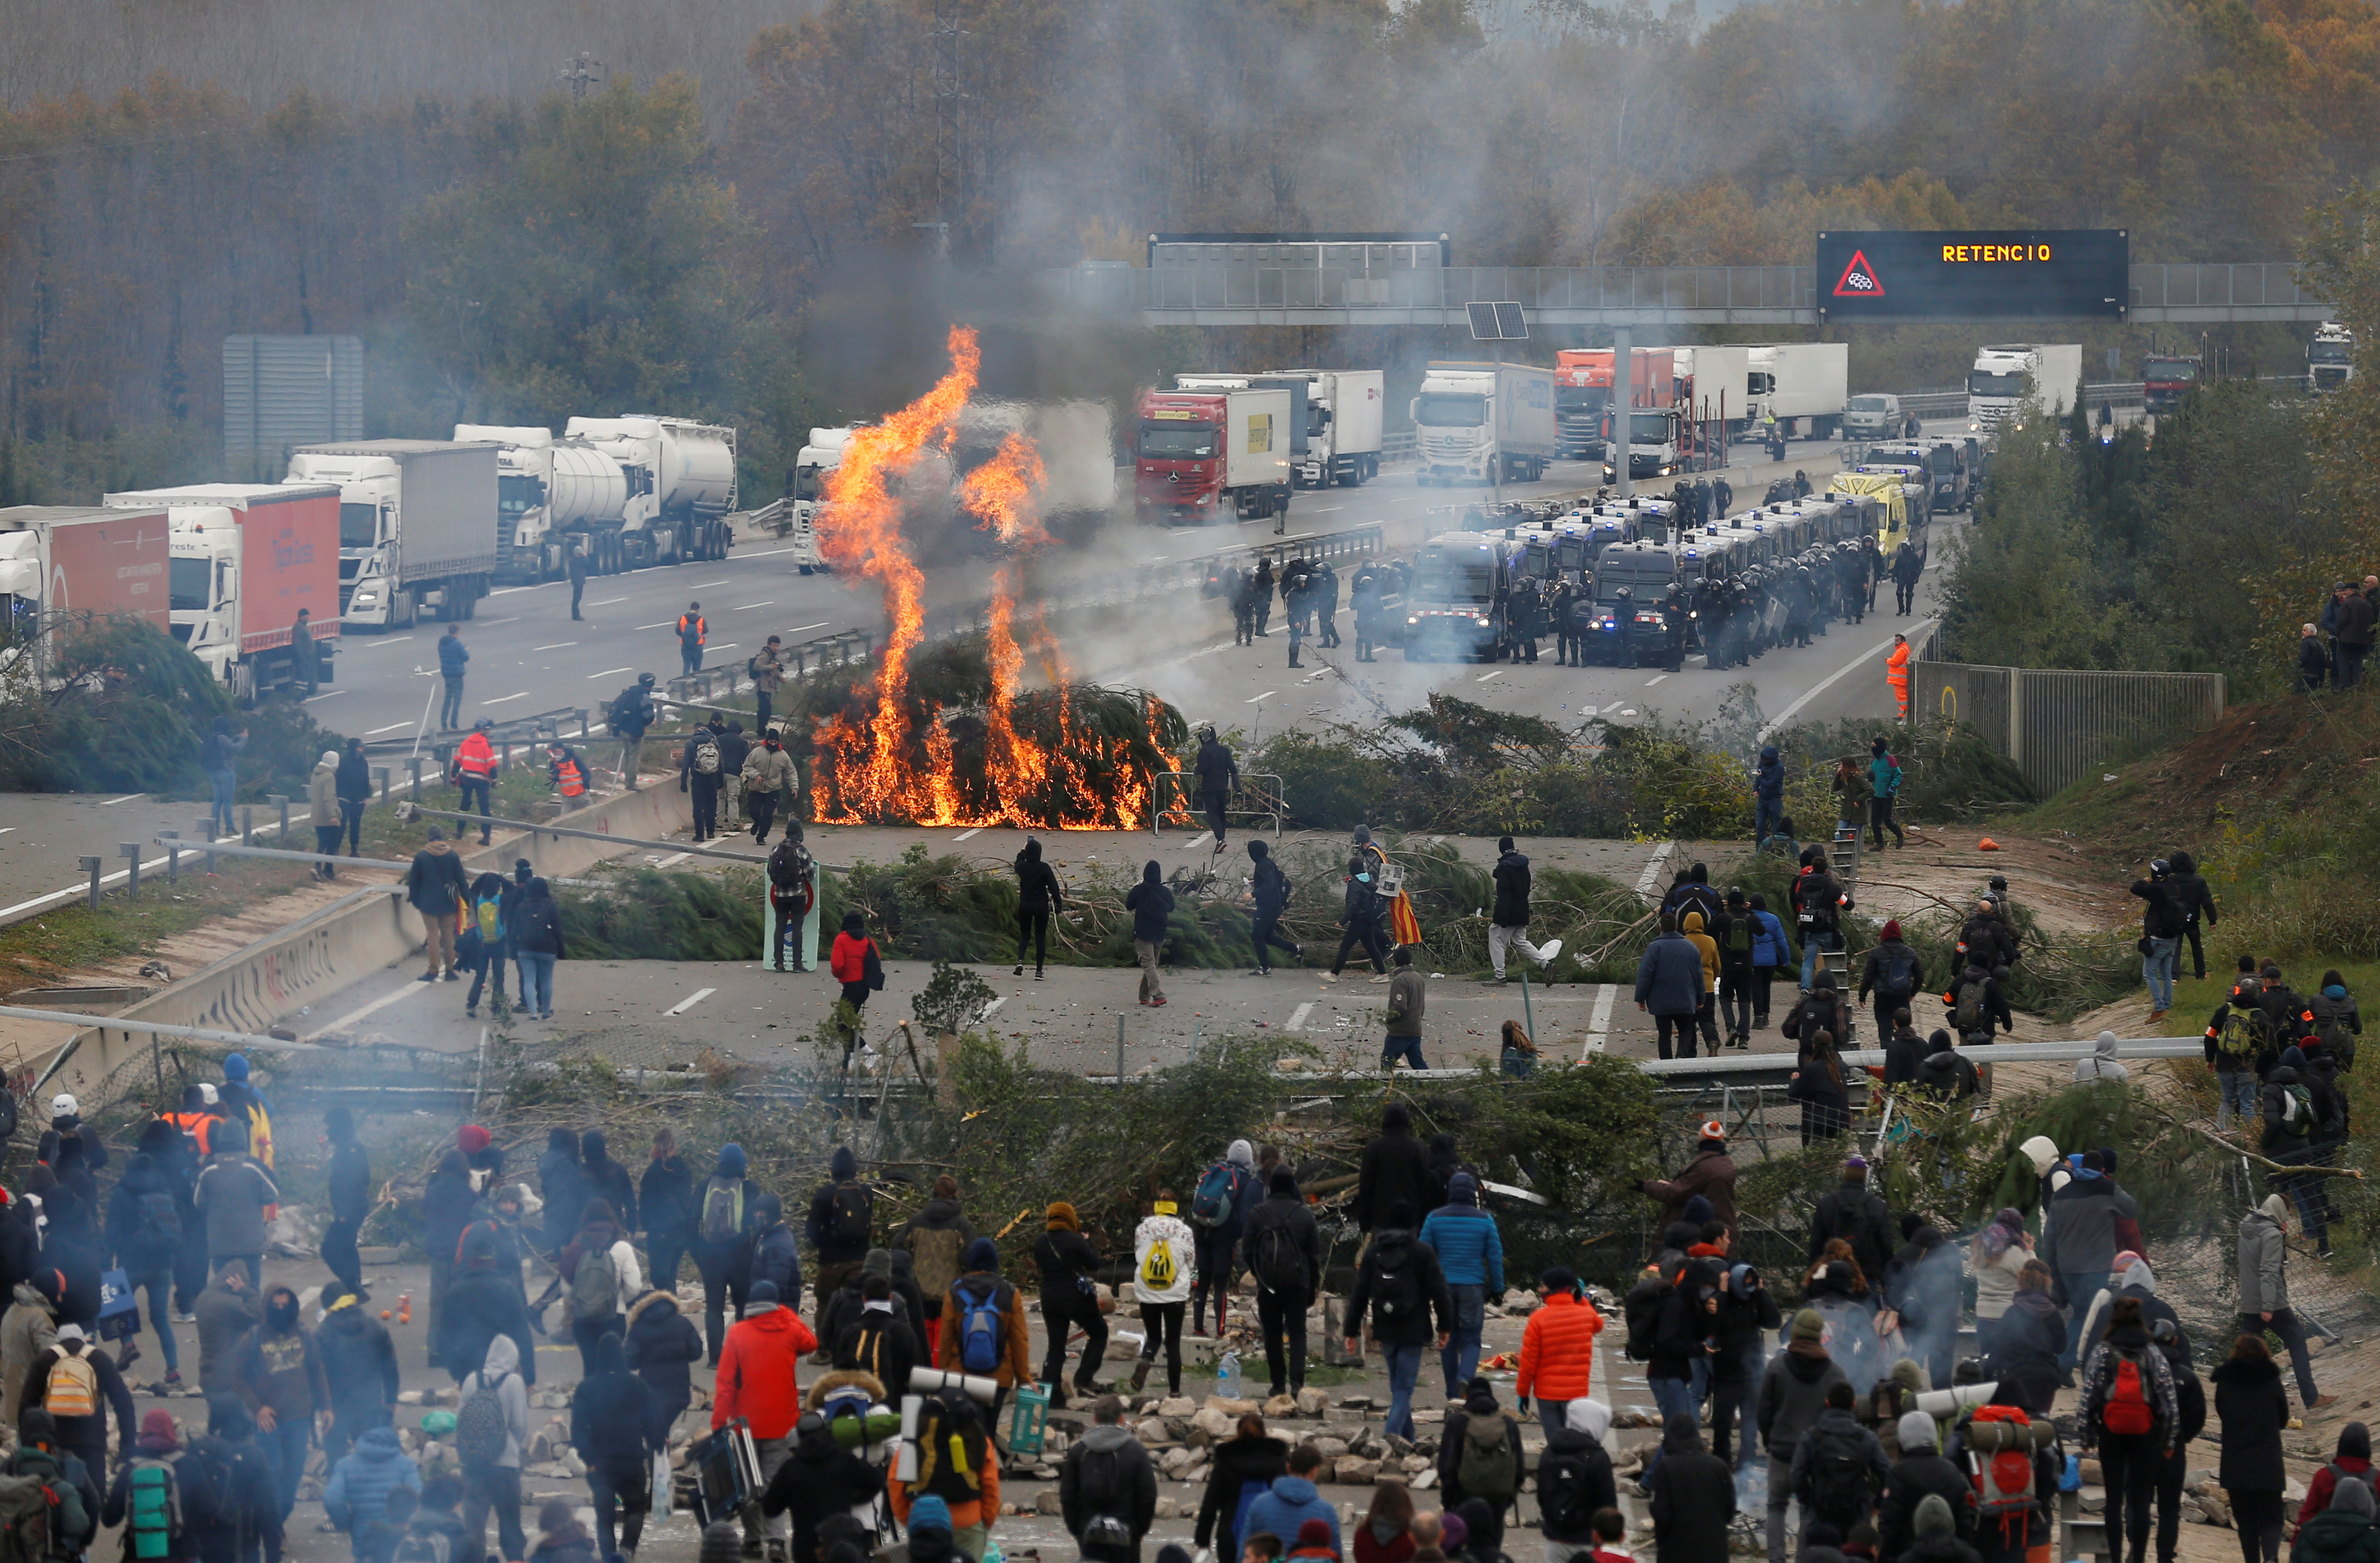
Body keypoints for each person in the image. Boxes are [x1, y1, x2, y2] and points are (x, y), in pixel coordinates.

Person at [715, 1281, 815, 1558]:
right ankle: (776, 1542)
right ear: (775, 1306)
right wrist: (787, 1313)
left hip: (744, 1425)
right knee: (773, 1482)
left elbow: (725, 1384)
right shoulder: (790, 1330)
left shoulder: (737, 1334)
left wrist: (717, 1422)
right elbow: (812, 1343)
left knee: (747, 1484)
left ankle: (753, 1539)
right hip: (782, 1422)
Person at [1344, 1201, 1453, 1442]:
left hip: (1385, 1326)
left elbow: (1360, 1293)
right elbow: (1440, 1292)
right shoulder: (1423, 1252)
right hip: (1414, 1328)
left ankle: (1409, 1440)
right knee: (1403, 1389)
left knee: (1398, 1388)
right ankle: (1391, 1438)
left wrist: (1351, 1331)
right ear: (1413, 1224)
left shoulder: (1374, 1252)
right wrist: (1445, 1327)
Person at [2040, 1149, 2140, 1372]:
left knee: (2081, 1315)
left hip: (2068, 1269)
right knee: (2102, 1316)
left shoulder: (2062, 1195)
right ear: (2103, 1170)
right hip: (2099, 1267)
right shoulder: (2107, 1189)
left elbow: (2049, 1239)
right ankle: (2096, 1367)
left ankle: (2064, 1365)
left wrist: (2055, 1273)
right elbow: (2132, 1208)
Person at [2239, 1192, 2332, 1412]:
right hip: (2272, 1302)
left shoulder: (2247, 1226)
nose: (2286, 1221)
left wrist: (2280, 1236)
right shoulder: (2271, 1235)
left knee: (2245, 1351)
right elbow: (2269, 1270)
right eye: (2287, 1215)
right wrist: (2269, 1306)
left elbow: (2256, 1254)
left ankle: (2242, 1399)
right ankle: (2311, 1398)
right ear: (2280, 1212)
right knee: (2297, 1340)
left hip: (2249, 1299)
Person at [106, 1147, 188, 1386]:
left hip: (131, 1262)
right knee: (161, 1319)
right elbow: (178, 1224)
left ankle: (128, 1344)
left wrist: (107, 1259)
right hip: (163, 1263)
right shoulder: (165, 1190)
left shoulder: (123, 1192)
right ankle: (174, 1371)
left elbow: (112, 1229)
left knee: (118, 1306)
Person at [25, 1321, 136, 1495]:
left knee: (56, 1495)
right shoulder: (100, 1359)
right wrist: (127, 1444)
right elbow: (123, 1403)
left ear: (58, 1342)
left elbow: (27, 1406)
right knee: (94, 1495)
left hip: (55, 1442)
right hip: (91, 1440)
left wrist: (29, 1445)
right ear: (84, 1341)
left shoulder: (45, 1361)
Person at [1419, 1175, 1504, 1400]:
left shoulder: (1434, 1218)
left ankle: (1451, 1393)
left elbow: (1423, 1255)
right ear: (1472, 1194)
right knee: (1472, 1338)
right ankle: (1465, 1379)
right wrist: (1498, 1289)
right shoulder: (1485, 1220)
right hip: (1473, 1286)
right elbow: (1495, 1257)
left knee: (1447, 1337)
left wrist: (1423, 1286)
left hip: (1443, 1286)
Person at [1241, 1168, 1319, 1403]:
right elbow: (1314, 1256)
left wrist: (1259, 1274)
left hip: (1268, 1284)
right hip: (1298, 1283)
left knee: (1272, 1334)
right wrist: (1313, 1284)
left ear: (1271, 1186)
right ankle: (1297, 1383)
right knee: (1297, 1333)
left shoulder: (1257, 1214)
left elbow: (1247, 1251)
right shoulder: (1305, 1215)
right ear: (1292, 1186)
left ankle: (1278, 1385)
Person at [2213, 1334, 2290, 1563]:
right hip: (2268, 1460)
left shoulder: (2225, 1381)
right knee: (2271, 1517)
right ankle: (2271, 1557)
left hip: (2235, 1460)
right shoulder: (2271, 1379)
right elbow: (2283, 1418)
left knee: (2245, 1522)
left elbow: (2222, 1412)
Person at [1060, 1396, 1159, 1563]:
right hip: (1127, 1534)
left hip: (1089, 1533)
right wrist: (1140, 1531)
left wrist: (1078, 1530)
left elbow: (1067, 1496)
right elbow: (1148, 1496)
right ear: (1121, 1419)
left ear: (1095, 1419)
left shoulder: (1079, 1451)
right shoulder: (1136, 1451)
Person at [1790, 1380, 1890, 1542]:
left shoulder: (1811, 1437)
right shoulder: (1867, 1438)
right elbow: (1888, 1476)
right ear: (1854, 1405)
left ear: (1827, 1403)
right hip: (1858, 1515)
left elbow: (1796, 1477)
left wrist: (1810, 1503)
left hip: (1821, 1513)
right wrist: (1876, 1505)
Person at [1032, 1202, 1107, 1411]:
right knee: (1099, 1332)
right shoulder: (1075, 1240)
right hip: (1076, 1297)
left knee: (1056, 1348)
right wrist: (1088, 1243)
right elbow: (1094, 1264)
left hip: (1049, 1298)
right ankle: (1083, 1378)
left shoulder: (1040, 1243)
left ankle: (1052, 1397)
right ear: (1070, 1218)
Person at [315, 1285, 399, 1467]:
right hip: (369, 1404)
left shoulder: (324, 1333)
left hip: (336, 1409)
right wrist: (391, 1401)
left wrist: (323, 1407)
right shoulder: (375, 1326)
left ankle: (338, 1492)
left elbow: (316, 1375)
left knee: (336, 1461)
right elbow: (390, 1367)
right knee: (370, 1460)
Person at [692, 1144, 759, 1364]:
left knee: (714, 1307)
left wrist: (698, 1252)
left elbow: (690, 1222)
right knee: (742, 1305)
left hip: (711, 1255)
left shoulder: (705, 1186)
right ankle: (740, 1354)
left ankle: (714, 1358)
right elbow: (757, 1224)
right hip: (740, 1255)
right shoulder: (749, 1188)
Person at [192, 1122, 277, 1289]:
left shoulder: (209, 1168)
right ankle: (251, 1313)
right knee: (251, 1287)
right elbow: (272, 1195)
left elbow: (199, 1203)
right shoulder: (254, 1166)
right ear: (244, 1140)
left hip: (219, 1243)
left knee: (223, 1288)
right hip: (250, 1242)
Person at [1127, 1194, 1196, 1397]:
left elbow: (1138, 1254)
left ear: (1157, 1207)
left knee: (1154, 1336)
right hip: (1175, 1293)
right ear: (1174, 1207)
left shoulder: (1142, 1229)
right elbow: (1191, 1262)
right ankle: (1174, 1392)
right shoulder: (1185, 1231)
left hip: (1147, 1291)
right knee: (1173, 1342)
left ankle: (1146, 1359)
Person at [1649, 1411, 1736, 1563]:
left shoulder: (1666, 1467)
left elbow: (1661, 1512)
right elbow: (1729, 1510)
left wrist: (1661, 1541)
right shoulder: (1719, 1466)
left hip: (1676, 1550)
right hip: (1715, 1551)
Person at [323, 1424, 421, 1557]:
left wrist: (345, 1524)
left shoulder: (345, 1464)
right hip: (398, 1533)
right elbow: (416, 1496)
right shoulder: (406, 1465)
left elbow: (332, 1500)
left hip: (363, 1533)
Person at [1537, 1399, 1617, 1562]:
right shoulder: (1598, 1456)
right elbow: (1608, 1502)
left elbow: (1542, 1494)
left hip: (1556, 1538)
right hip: (1588, 1540)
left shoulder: (1551, 1450)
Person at [622, 1285, 704, 1440]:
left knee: (655, 1432)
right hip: (680, 1389)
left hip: (651, 1391)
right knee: (662, 1429)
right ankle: (662, 1458)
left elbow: (629, 1362)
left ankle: (658, 1460)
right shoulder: (683, 1323)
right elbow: (697, 1352)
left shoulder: (638, 1329)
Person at [1244, 1446, 1341, 1561]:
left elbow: (1245, 1550)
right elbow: (1336, 1557)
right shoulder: (1326, 1511)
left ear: (1288, 1467)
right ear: (1315, 1470)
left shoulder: (1259, 1504)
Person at [1488, 836, 1561, 982]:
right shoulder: (1523, 865)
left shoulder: (1505, 868)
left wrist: (1502, 917)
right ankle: (1546, 965)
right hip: (1522, 909)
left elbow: (1505, 894)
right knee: (1521, 941)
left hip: (1509, 912)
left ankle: (1500, 976)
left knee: (1496, 940)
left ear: (1501, 849)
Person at [1352, 1104, 1433, 1234]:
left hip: (1382, 1218)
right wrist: (1426, 1218)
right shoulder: (1418, 1148)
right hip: (1412, 1217)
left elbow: (1366, 1187)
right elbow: (1426, 1186)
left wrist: (1365, 1222)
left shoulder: (1374, 1148)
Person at [1636, 912, 1706, 1060]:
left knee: (1664, 1035)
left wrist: (1641, 997)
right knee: (1686, 1030)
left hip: (1661, 1001)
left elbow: (1645, 975)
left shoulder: (1655, 948)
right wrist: (1701, 997)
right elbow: (1699, 975)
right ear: (1676, 926)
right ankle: (1681, 1055)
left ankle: (1666, 1066)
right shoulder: (1690, 947)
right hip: (1686, 998)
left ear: (1661, 927)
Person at [404, 829, 470, 983]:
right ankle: (450, 969)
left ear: (429, 838)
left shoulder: (421, 857)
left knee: (433, 935)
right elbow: (461, 880)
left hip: (427, 902)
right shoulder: (452, 855)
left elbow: (414, 882)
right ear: (441, 838)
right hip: (448, 901)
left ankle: (433, 970)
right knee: (448, 935)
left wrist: (415, 900)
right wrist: (466, 900)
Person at [2130, 859, 2186, 1023]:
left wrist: (2145, 881)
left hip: (2158, 938)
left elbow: (2135, 888)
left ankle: (2160, 1009)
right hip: (2172, 938)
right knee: (2167, 974)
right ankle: (2166, 1006)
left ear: (2154, 873)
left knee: (2149, 973)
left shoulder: (2156, 889)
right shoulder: (2175, 888)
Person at [1858, 921, 1925, 1049]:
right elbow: (1920, 976)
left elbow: (1869, 977)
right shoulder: (1911, 953)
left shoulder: (1876, 953)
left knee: (1884, 1030)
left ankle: (1887, 1056)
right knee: (1905, 1029)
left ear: (1884, 935)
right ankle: (1905, 1053)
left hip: (1883, 997)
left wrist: (1863, 996)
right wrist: (1913, 993)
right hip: (1902, 996)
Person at [2298, 1423, 2375, 1531]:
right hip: (2368, 1544)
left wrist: (2300, 1544)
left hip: (2326, 1542)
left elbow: (2307, 1515)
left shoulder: (2324, 1476)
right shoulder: (2377, 1479)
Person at [509, 875, 564, 1020]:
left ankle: (533, 1013)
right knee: (546, 980)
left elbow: (515, 930)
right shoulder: (550, 905)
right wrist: (561, 949)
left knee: (529, 980)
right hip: (547, 949)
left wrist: (513, 950)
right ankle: (545, 1012)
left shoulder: (522, 905)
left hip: (525, 948)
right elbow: (557, 929)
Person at [1787, 1031, 1851, 1144]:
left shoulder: (1812, 1069)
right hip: (1843, 1120)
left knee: (1819, 1155)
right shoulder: (1843, 1066)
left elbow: (1794, 1094)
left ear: (1814, 1045)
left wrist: (1795, 1080)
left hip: (1821, 1122)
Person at [1013, 838, 1064, 979]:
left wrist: (1023, 851)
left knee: (1025, 935)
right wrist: (1059, 904)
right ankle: (1039, 972)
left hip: (1025, 904)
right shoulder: (1044, 868)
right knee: (1040, 937)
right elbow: (1054, 888)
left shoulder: (1022, 867)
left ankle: (1020, 961)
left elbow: (1017, 863)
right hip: (1041, 905)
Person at [1126, 861, 1175, 1008]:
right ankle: (1144, 996)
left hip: (1143, 933)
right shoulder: (1165, 892)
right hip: (1160, 932)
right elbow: (1171, 907)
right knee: (1152, 965)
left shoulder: (1139, 890)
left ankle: (1159, 996)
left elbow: (1129, 906)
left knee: (1148, 965)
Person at [450, 720, 496, 846]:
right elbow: (491, 764)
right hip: (482, 781)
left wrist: (453, 778)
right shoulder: (486, 744)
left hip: (467, 779)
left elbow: (457, 761)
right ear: (482, 730)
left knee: (465, 805)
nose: (489, 732)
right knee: (484, 808)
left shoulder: (466, 742)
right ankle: (486, 837)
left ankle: (459, 831)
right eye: (488, 730)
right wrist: (495, 781)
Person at [681, 715, 727, 842]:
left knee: (698, 807)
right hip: (712, 777)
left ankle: (700, 834)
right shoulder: (714, 741)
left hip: (698, 779)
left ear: (695, 730)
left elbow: (685, 765)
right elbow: (720, 762)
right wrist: (721, 778)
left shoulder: (691, 744)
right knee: (711, 805)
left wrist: (683, 782)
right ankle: (711, 832)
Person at [1381, 948, 1428, 1070]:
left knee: (1387, 1061)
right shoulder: (1418, 977)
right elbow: (1422, 1004)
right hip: (1416, 1028)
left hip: (1400, 1031)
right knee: (1418, 1064)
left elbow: (1400, 1006)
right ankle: (1431, 1084)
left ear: (1395, 961)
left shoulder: (1400, 980)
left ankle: (1386, 1087)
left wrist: (1389, 1020)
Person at [201, 716, 248, 839]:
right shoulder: (222, 737)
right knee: (227, 802)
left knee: (217, 800)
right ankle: (230, 828)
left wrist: (236, 738)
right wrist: (244, 739)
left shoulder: (213, 737)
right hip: (226, 772)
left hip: (214, 772)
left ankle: (214, 828)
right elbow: (235, 748)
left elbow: (225, 744)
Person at [1195, 727, 1239, 847]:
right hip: (1222, 786)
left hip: (1209, 787)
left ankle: (1220, 839)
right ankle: (1222, 838)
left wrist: (1196, 770)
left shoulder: (1204, 751)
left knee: (1212, 813)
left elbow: (1202, 768)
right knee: (1221, 813)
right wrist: (1237, 787)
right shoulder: (1225, 751)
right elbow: (1233, 770)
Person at [307, 749, 343, 880]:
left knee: (323, 841)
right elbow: (329, 797)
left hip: (317, 814)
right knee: (331, 843)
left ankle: (320, 867)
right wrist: (333, 815)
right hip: (327, 816)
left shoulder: (316, 774)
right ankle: (326, 869)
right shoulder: (329, 776)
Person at [1754, 744, 1786, 845]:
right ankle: (1760, 851)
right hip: (1762, 800)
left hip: (1774, 800)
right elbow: (1758, 776)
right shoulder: (1763, 763)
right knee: (1760, 827)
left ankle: (1776, 850)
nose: (1765, 761)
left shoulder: (1779, 768)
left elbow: (1770, 784)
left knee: (1776, 827)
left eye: (1767, 759)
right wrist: (1756, 789)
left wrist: (1760, 779)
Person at [438, 624, 468, 729]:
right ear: (457, 632)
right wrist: (466, 650)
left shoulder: (441, 644)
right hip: (457, 674)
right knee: (457, 700)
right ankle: (454, 723)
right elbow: (466, 657)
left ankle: (444, 722)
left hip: (447, 674)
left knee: (447, 699)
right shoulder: (457, 644)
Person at [2299, 623, 2333, 693]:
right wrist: (2321, 679)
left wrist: (2298, 668)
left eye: (2305, 630)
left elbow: (2303, 658)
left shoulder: (2306, 643)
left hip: (2306, 675)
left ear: (2311, 632)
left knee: (2299, 696)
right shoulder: (2320, 645)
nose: (2302, 632)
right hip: (2317, 677)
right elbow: (2323, 663)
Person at [678, 601, 708, 676]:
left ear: (690, 608)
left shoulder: (683, 618)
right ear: (698, 610)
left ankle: (684, 683)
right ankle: (696, 685)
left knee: (687, 666)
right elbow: (706, 631)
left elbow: (678, 631)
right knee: (697, 669)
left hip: (685, 645)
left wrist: (686, 636)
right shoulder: (701, 619)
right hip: (698, 646)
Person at [567, 537, 589, 619]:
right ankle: (576, 615)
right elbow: (586, 563)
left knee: (578, 598)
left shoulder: (574, 560)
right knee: (577, 598)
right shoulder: (575, 561)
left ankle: (576, 614)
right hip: (578, 581)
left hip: (578, 580)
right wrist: (584, 556)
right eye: (580, 554)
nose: (581, 555)